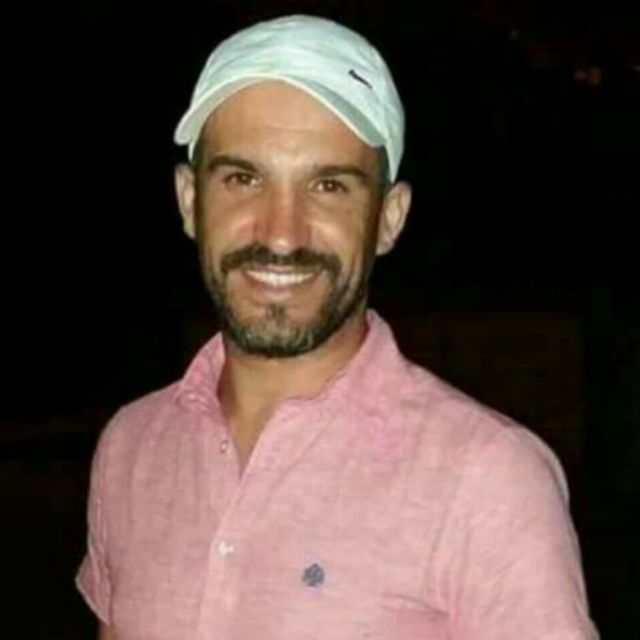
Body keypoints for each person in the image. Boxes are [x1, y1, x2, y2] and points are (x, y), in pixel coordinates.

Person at [76, 14, 598, 640]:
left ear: (388, 218)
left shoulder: (488, 478)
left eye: (328, 186)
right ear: (190, 200)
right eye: (243, 179)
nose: (280, 233)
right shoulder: (132, 448)